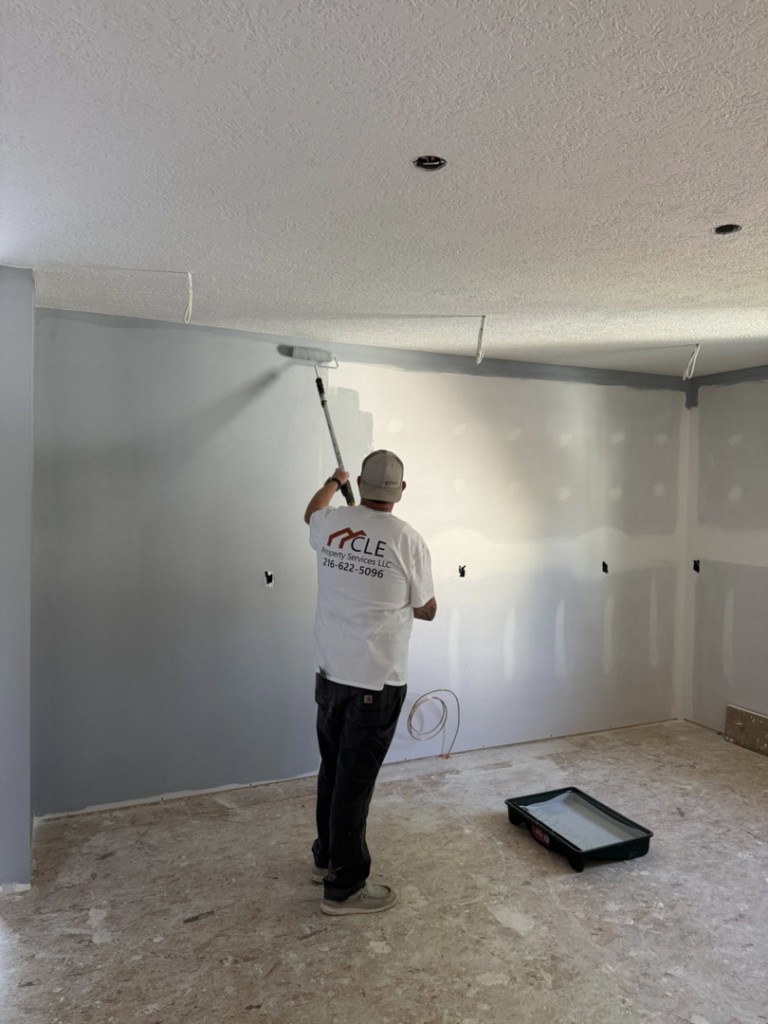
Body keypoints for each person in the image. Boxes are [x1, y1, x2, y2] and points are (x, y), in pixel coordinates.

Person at [304, 450, 436, 916]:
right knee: (354, 785)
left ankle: (325, 858)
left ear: (359, 482)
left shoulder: (332, 523)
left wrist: (332, 479)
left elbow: (311, 512)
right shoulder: (408, 540)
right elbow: (427, 607)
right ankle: (344, 886)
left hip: (329, 676)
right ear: (402, 491)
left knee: (333, 771)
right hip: (375, 683)